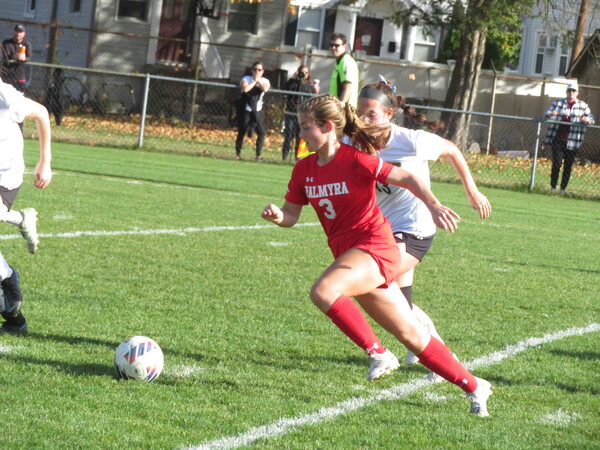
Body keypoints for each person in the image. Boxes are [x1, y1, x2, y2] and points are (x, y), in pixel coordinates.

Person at [261, 94, 493, 417]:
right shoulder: (303, 169)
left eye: (305, 126)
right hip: (353, 255)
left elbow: (408, 178)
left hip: (376, 246)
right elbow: (291, 215)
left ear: (328, 127)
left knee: (324, 291)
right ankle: (474, 385)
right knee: (412, 335)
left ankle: (379, 353)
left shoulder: (355, 159)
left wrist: (434, 205)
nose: (300, 133)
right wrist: (277, 217)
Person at [352, 79, 491, 367]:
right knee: (401, 303)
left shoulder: (411, 141)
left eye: (371, 114)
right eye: (359, 113)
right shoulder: (354, 141)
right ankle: (428, 350)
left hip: (414, 229)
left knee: (371, 280)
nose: (363, 120)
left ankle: (434, 353)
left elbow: (452, 149)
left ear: (390, 114)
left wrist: (472, 191)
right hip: (383, 230)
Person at [0, 77, 53, 334]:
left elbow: (42, 113)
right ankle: (13, 312)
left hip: (5, 177)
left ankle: (18, 219)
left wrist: (45, 161)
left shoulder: (5, 97)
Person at [543, 82, 595, 195]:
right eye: (569, 91)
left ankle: (562, 189)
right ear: (566, 92)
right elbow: (546, 113)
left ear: (577, 93)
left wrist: (587, 120)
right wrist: (552, 113)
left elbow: (591, 118)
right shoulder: (558, 103)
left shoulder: (583, 105)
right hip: (558, 139)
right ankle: (553, 187)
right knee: (556, 164)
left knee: (568, 166)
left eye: (573, 91)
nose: (571, 93)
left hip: (573, 141)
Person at [281, 65, 319, 160]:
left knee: (300, 136)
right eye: (301, 72)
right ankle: (284, 156)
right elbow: (284, 91)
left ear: (308, 74)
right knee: (288, 135)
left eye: (305, 73)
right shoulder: (293, 82)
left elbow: (312, 97)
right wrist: (293, 79)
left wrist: (316, 90)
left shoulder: (309, 84)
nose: (303, 74)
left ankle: (298, 157)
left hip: (303, 115)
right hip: (291, 113)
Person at [235, 61, 271, 161]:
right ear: (252, 70)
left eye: (259, 70)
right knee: (241, 131)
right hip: (246, 110)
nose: (257, 71)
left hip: (258, 111)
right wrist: (254, 81)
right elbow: (245, 89)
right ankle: (237, 154)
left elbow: (265, 89)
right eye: (255, 69)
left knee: (261, 133)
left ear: (262, 71)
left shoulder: (265, 81)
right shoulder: (246, 78)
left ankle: (258, 155)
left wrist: (258, 81)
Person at [329, 33, 359, 109]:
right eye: (331, 45)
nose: (333, 48)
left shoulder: (346, 61)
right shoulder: (339, 62)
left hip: (344, 109)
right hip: (337, 106)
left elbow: (348, 87)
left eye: (337, 45)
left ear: (344, 46)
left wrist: (341, 107)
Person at [1, 24, 32, 93]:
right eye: (16, 31)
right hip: (7, 77)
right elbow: (5, 56)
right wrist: (15, 56)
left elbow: (29, 57)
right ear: (13, 32)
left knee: (19, 98)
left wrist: (24, 59)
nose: (18, 34)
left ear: (24, 34)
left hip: (20, 78)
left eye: (20, 32)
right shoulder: (6, 43)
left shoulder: (26, 44)